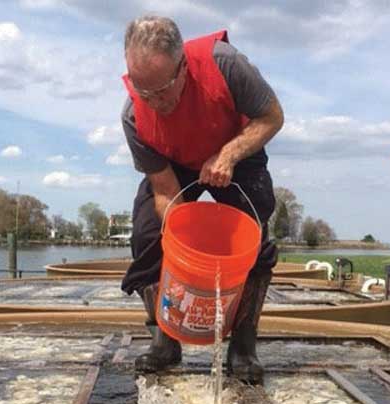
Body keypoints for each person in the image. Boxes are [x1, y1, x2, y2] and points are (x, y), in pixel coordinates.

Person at [119, 15, 284, 383]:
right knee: (148, 234)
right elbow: (164, 188)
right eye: (143, 92)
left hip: (237, 148)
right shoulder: (134, 117)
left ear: (182, 67)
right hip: (177, 162)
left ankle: (243, 345)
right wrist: (183, 241)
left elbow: (272, 117)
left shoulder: (224, 65)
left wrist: (228, 155)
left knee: (251, 235)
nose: (155, 102)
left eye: (162, 90)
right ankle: (165, 338)